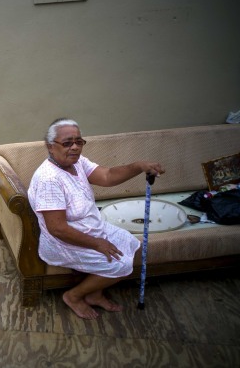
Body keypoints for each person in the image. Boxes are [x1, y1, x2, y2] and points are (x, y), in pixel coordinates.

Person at [28, 118, 165, 320]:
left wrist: (138, 166)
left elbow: (108, 176)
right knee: (120, 266)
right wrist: (97, 243)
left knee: (130, 243)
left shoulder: (77, 162)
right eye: (67, 143)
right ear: (50, 147)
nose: (74, 147)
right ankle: (74, 296)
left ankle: (94, 293)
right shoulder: (50, 179)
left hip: (92, 228)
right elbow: (57, 229)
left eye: (79, 141)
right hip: (64, 241)